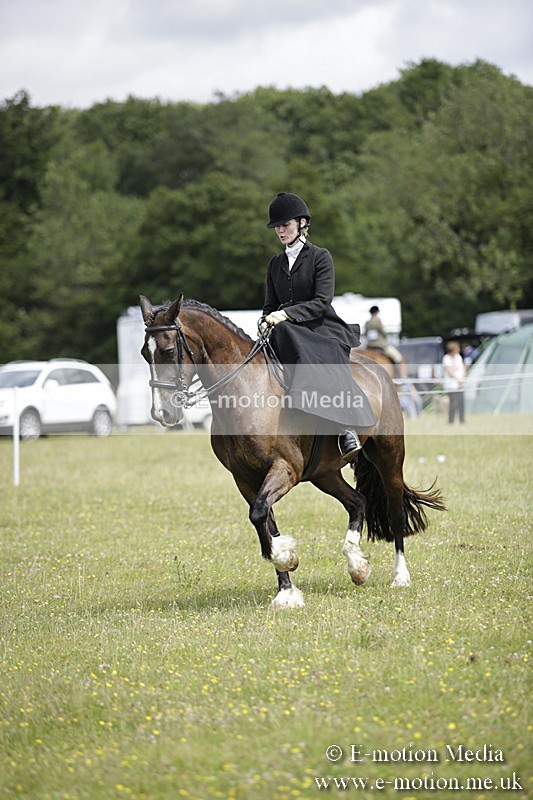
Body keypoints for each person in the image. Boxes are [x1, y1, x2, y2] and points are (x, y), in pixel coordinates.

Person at [261, 192, 375, 459]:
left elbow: (322, 302)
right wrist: (265, 321)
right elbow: (269, 305)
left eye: (285, 225)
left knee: (299, 339)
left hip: (320, 328)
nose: (280, 230)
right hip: (285, 330)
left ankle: (345, 426)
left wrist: (286, 315)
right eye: (276, 226)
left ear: (301, 223)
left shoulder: (320, 257)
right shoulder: (275, 264)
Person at [364, 306, 407, 379]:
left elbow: (366, 334)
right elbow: (383, 332)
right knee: (399, 358)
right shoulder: (377, 321)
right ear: (377, 312)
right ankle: (404, 379)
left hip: (369, 346)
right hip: (380, 345)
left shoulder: (367, 323)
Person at [442, 340, 466, 424]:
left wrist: (462, 378)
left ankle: (462, 420)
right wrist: (458, 379)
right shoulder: (446, 358)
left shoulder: (458, 357)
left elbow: (462, 367)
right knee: (452, 404)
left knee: (461, 403)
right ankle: (451, 421)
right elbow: (449, 370)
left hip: (460, 385)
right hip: (451, 385)